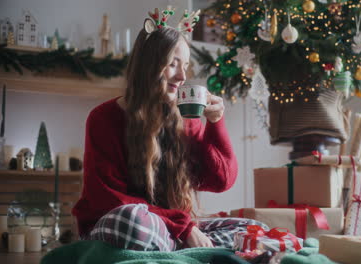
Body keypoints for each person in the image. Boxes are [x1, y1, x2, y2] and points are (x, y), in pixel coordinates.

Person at [72, 12, 267, 252]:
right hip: (121, 226)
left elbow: (221, 181)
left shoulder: (185, 117)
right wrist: (184, 229)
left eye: (185, 66)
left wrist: (216, 123)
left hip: (171, 230)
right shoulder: (103, 118)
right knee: (131, 220)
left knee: (255, 230)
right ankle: (192, 250)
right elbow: (110, 200)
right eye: (173, 63)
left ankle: (181, 250)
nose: (182, 76)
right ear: (148, 64)